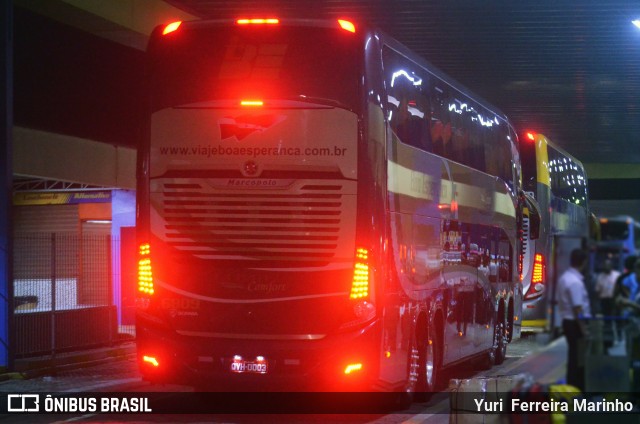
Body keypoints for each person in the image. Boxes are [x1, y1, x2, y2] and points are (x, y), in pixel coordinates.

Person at [557, 249, 591, 390]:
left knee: (573, 356)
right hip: (575, 323)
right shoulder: (575, 282)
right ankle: (577, 387)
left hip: (568, 322)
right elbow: (578, 309)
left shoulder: (565, 277)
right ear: (583, 262)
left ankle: (572, 386)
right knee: (578, 358)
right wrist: (584, 330)